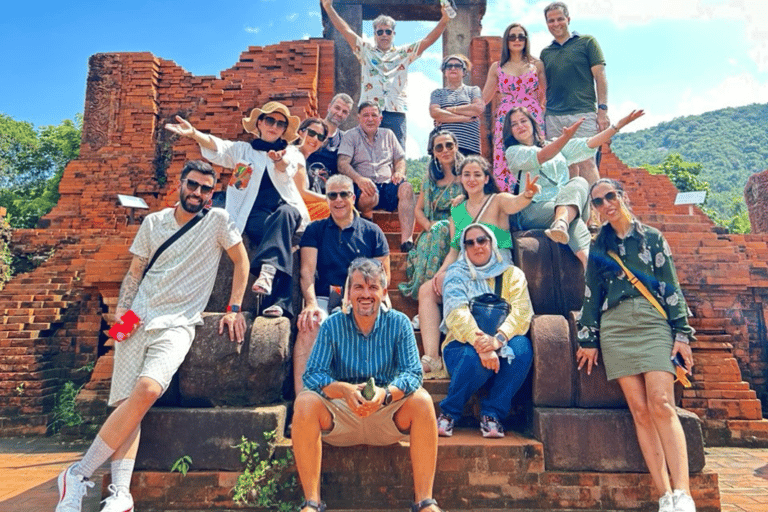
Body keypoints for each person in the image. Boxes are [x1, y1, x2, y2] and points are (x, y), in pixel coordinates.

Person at [54, 161, 249, 512]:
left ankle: (79, 473)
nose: (199, 193)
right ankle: (121, 493)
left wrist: (234, 308)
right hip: (137, 317)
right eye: (193, 185)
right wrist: (120, 322)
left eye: (206, 189)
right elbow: (134, 274)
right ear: (180, 183)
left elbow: (241, 261)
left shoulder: (218, 221)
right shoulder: (153, 222)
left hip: (179, 322)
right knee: (127, 406)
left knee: (148, 389)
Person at [576, 178, 697, 512]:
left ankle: (683, 492)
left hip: (651, 320)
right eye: (597, 202)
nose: (605, 205)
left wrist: (682, 334)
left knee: (661, 403)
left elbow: (670, 285)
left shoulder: (651, 238)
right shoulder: (599, 247)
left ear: (622, 196)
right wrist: (588, 338)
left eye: (609, 197)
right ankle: (665, 495)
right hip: (614, 326)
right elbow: (591, 294)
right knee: (640, 411)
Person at [293, 258, 444, 512]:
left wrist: (385, 395)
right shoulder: (332, 325)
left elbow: (413, 374)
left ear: (384, 293)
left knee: (423, 401)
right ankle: (311, 503)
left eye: (373, 287)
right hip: (342, 416)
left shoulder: (399, 323)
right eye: (359, 287)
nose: (365, 294)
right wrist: (343, 390)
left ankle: (425, 502)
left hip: (386, 414)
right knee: (305, 402)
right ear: (348, 292)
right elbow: (313, 375)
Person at [165, 101, 309, 318]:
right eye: (270, 120)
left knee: (285, 217)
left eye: (280, 124)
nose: (274, 126)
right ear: (259, 123)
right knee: (280, 241)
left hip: (285, 210)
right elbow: (218, 146)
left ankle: (268, 271)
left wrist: (279, 160)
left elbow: (286, 167)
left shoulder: (290, 152)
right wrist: (194, 133)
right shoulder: (243, 151)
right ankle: (279, 302)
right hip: (254, 214)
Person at [417, 155, 538, 376]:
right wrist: (442, 272)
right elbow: (455, 250)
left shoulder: (498, 200)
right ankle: (433, 358)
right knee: (427, 290)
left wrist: (527, 194)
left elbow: (516, 203)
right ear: (460, 179)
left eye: (477, 174)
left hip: (496, 269)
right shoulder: (457, 210)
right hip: (466, 269)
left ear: (485, 178)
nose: (471, 179)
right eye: (466, 175)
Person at [503, 107, 644, 268]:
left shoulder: (556, 145)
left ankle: (561, 223)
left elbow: (589, 143)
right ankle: (591, 269)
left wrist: (618, 126)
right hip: (535, 209)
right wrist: (565, 138)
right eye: (514, 124)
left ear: (532, 124)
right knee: (574, 221)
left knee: (579, 182)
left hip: (567, 203)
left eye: (523, 121)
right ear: (510, 131)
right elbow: (543, 156)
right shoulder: (513, 152)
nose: (520, 126)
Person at [294, 175, 390, 393]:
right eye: (332, 195)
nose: (338, 200)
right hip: (325, 296)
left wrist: (361, 299)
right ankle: (303, 402)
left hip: (363, 295)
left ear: (353, 197)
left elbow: (384, 277)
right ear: (326, 199)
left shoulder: (372, 232)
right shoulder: (315, 230)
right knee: (308, 326)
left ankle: (374, 396)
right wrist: (310, 303)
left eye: (344, 194)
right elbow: (307, 272)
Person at [437, 223, 534, 438]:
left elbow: (522, 312)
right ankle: (449, 413)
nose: (477, 246)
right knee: (474, 359)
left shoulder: (512, 274)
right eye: (469, 243)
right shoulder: (455, 274)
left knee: (522, 349)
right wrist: (482, 344)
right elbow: (456, 313)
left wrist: (497, 341)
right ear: (463, 249)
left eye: (482, 240)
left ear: (491, 243)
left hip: (502, 341)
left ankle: (492, 413)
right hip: (461, 345)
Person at [321, 0, 450, 149]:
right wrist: (328, 8)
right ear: (375, 34)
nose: (384, 35)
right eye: (380, 32)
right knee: (365, 152)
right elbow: (345, 30)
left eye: (388, 31)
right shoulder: (365, 50)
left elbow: (428, 40)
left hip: (396, 112)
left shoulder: (404, 53)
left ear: (393, 34)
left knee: (397, 152)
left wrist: (445, 19)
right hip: (369, 111)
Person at [540, 1, 609, 184]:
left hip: (582, 113)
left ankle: (597, 210)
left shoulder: (587, 42)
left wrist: (602, 111)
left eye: (560, 19)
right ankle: (575, 211)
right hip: (554, 117)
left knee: (587, 163)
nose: (556, 24)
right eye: (551, 20)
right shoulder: (546, 53)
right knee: (565, 165)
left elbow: (600, 77)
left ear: (568, 19)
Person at [338, 101, 415, 252]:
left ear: (380, 118)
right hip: (363, 186)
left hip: (387, 185)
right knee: (369, 194)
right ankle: (368, 223)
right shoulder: (350, 136)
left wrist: (399, 171)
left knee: (407, 188)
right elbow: (342, 164)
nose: (370, 119)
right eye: (365, 115)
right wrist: (359, 179)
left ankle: (407, 241)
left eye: (374, 115)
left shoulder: (389, 135)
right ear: (358, 117)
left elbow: (400, 159)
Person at [397, 130, 464, 304]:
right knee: (435, 234)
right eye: (439, 147)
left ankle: (429, 296)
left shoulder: (467, 173)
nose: (445, 150)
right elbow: (418, 210)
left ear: (456, 147)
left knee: (442, 231)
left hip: (462, 225)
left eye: (449, 145)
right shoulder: (430, 179)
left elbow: (480, 196)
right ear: (434, 152)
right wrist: (428, 225)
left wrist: (465, 198)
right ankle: (427, 296)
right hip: (434, 227)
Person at [482, 23, 547, 192]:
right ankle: (510, 203)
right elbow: (484, 98)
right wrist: (461, 111)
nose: (517, 40)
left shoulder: (537, 65)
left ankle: (537, 195)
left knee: (536, 153)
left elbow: (545, 96)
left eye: (521, 36)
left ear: (526, 40)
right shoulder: (497, 67)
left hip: (532, 117)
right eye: (512, 36)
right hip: (506, 120)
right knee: (506, 157)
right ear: (506, 41)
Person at [429, 54, 484, 156]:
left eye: (457, 66)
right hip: (445, 148)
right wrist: (465, 118)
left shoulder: (473, 90)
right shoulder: (437, 93)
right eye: (449, 66)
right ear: (444, 72)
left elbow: (478, 108)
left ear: (464, 71)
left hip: (470, 145)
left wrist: (449, 110)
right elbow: (435, 113)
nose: (453, 68)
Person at [284, 117, 332, 221]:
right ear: (300, 133)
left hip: (299, 208)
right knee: (337, 208)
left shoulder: (302, 159)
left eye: (320, 137)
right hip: (290, 211)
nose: (315, 139)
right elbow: (301, 193)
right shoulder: (293, 153)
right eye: (311, 133)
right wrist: (331, 198)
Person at [306, 93, 354, 184]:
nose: (339, 113)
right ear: (329, 107)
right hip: (306, 184)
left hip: (332, 191)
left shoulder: (345, 139)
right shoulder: (312, 129)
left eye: (344, 112)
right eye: (337, 108)